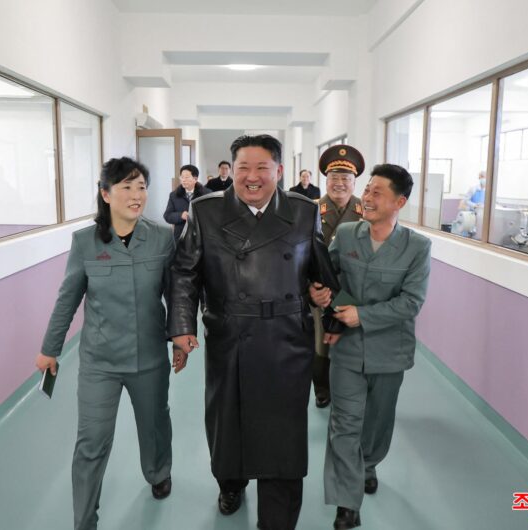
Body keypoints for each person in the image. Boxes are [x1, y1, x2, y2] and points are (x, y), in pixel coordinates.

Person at [167, 134, 341, 530]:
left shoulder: (303, 211)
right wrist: (181, 326)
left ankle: (277, 520)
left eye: (262, 168)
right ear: (231, 171)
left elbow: (319, 268)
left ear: (279, 171)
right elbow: (184, 273)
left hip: (287, 338)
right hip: (231, 335)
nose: (252, 177)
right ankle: (231, 482)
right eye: (243, 167)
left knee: (283, 436)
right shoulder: (206, 210)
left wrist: (322, 294)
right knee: (228, 424)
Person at [36, 157, 181, 530]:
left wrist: (180, 338)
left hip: (149, 356)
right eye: (126, 187)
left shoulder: (162, 237)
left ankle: (158, 471)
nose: (136, 195)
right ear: (105, 194)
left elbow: (176, 294)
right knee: (91, 442)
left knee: (155, 424)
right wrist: (50, 349)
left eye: (141, 187)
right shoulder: (85, 242)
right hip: (100, 361)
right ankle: (84, 521)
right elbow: (68, 298)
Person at [311, 163, 431, 530]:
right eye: (367, 190)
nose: (367, 197)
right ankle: (346, 502)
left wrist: (362, 315)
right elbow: (327, 275)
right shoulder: (347, 235)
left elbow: (411, 302)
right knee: (344, 424)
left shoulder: (417, 247)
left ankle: (368, 464)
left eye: (378, 192)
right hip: (347, 350)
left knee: (377, 424)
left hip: (390, 352)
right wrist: (318, 293)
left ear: (400, 202)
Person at [311, 145, 365, 409]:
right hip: (319, 289)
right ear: (326, 180)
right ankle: (322, 390)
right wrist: (311, 287)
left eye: (345, 178)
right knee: (320, 343)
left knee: (351, 342)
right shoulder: (311, 209)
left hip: (354, 289)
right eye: (334, 178)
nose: (339, 184)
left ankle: (349, 390)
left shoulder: (366, 211)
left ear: (354, 183)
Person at [163, 164, 208, 241]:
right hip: (181, 238)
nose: (183, 180)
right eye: (182, 177)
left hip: (202, 237)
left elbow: (213, 215)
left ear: (195, 179)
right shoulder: (174, 195)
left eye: (187, 177)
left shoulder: (206, 194)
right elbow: (167, 216)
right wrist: (181, 215)